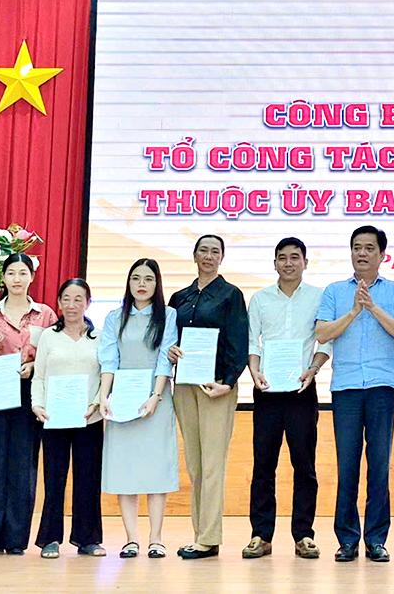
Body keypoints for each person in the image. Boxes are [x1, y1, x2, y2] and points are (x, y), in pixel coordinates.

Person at [315, 225, 394, 563]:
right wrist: (354, 311)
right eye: (357, 247)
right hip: (346, 388)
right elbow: (322, 332)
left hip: (382, 387)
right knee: (347, 466)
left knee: (380, 465)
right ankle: (346, 539)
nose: (362, 253)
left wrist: (372, 307)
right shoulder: (334, 291)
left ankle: (376, 539)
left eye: (370, 248)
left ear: (382, 255)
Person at [0, 254, 57, 557]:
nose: (17, 279)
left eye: (23, 273)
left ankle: (14, 538)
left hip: (28, 393)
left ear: (32, 277)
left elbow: (51, 357)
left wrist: (34, 367)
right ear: (3, 277)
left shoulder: (45, 315)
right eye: (11, 273)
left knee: (22, 465)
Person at [243, 237, 330, 560]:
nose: (289, 263)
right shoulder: (260, 299)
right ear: (275, 263)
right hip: (266, 390)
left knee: (304, 465)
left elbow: (325, 341)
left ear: (305, 262)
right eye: (282, 257)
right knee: (263, 465)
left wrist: (313, 369)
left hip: (301, 390)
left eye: (295, 257)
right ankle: (260, 535)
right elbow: (252, 342)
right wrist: (254, 371)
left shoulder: (319, 298)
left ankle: (303, 535)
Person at [166, 235, 249, 559]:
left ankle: (209, 537)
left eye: (215, 251)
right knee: (195, 464)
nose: (209, 256)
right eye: (204, 250)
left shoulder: (231, 295)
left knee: (213, 464)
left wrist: (228, 382)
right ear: (194, 255)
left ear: (222, 257)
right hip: (185, 385)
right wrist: (171, 351)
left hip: (217, 387)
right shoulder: (179, 298)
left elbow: (238, 341)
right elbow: (168, 339)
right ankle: (200, 534)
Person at [100, 258, 179, 561]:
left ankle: (156, 538)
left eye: (148, 279)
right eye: (136, 278)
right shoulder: (114, 317)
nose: (141, 284)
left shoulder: (168, 315)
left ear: (157, 284)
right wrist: (104, 396)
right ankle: (131, 539)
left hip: (156, 400)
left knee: (156, 468)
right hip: (122, 400)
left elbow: (165, 359)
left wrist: (155, 396)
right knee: (126, 468)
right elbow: (110, 360)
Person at [33, 278, 107, 559]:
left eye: (79, 299)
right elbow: (39, 376)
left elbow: (106, 374)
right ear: (59, 303)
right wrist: (37, 405)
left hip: (90, 418)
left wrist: (97, 400)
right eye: (66, 298)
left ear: (88, 303)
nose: (72, 305)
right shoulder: (48, 336)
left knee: (88, 478)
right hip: (54, 418)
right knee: (54, 479)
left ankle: (88, 539)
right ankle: (50, 538)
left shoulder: (100, 337)